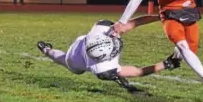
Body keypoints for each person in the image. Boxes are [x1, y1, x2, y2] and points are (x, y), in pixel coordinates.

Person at [36, 15, 181, 93]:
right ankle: (47, 50)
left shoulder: (103, 31)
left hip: (85, 43)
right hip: (75, 59)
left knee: (63, 58)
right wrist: (166, 64)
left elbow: (134, 23)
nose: (116, 42)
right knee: (63, 59)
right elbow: (138, 71)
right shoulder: (104, 68)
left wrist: (160, 16)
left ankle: (46, 49)